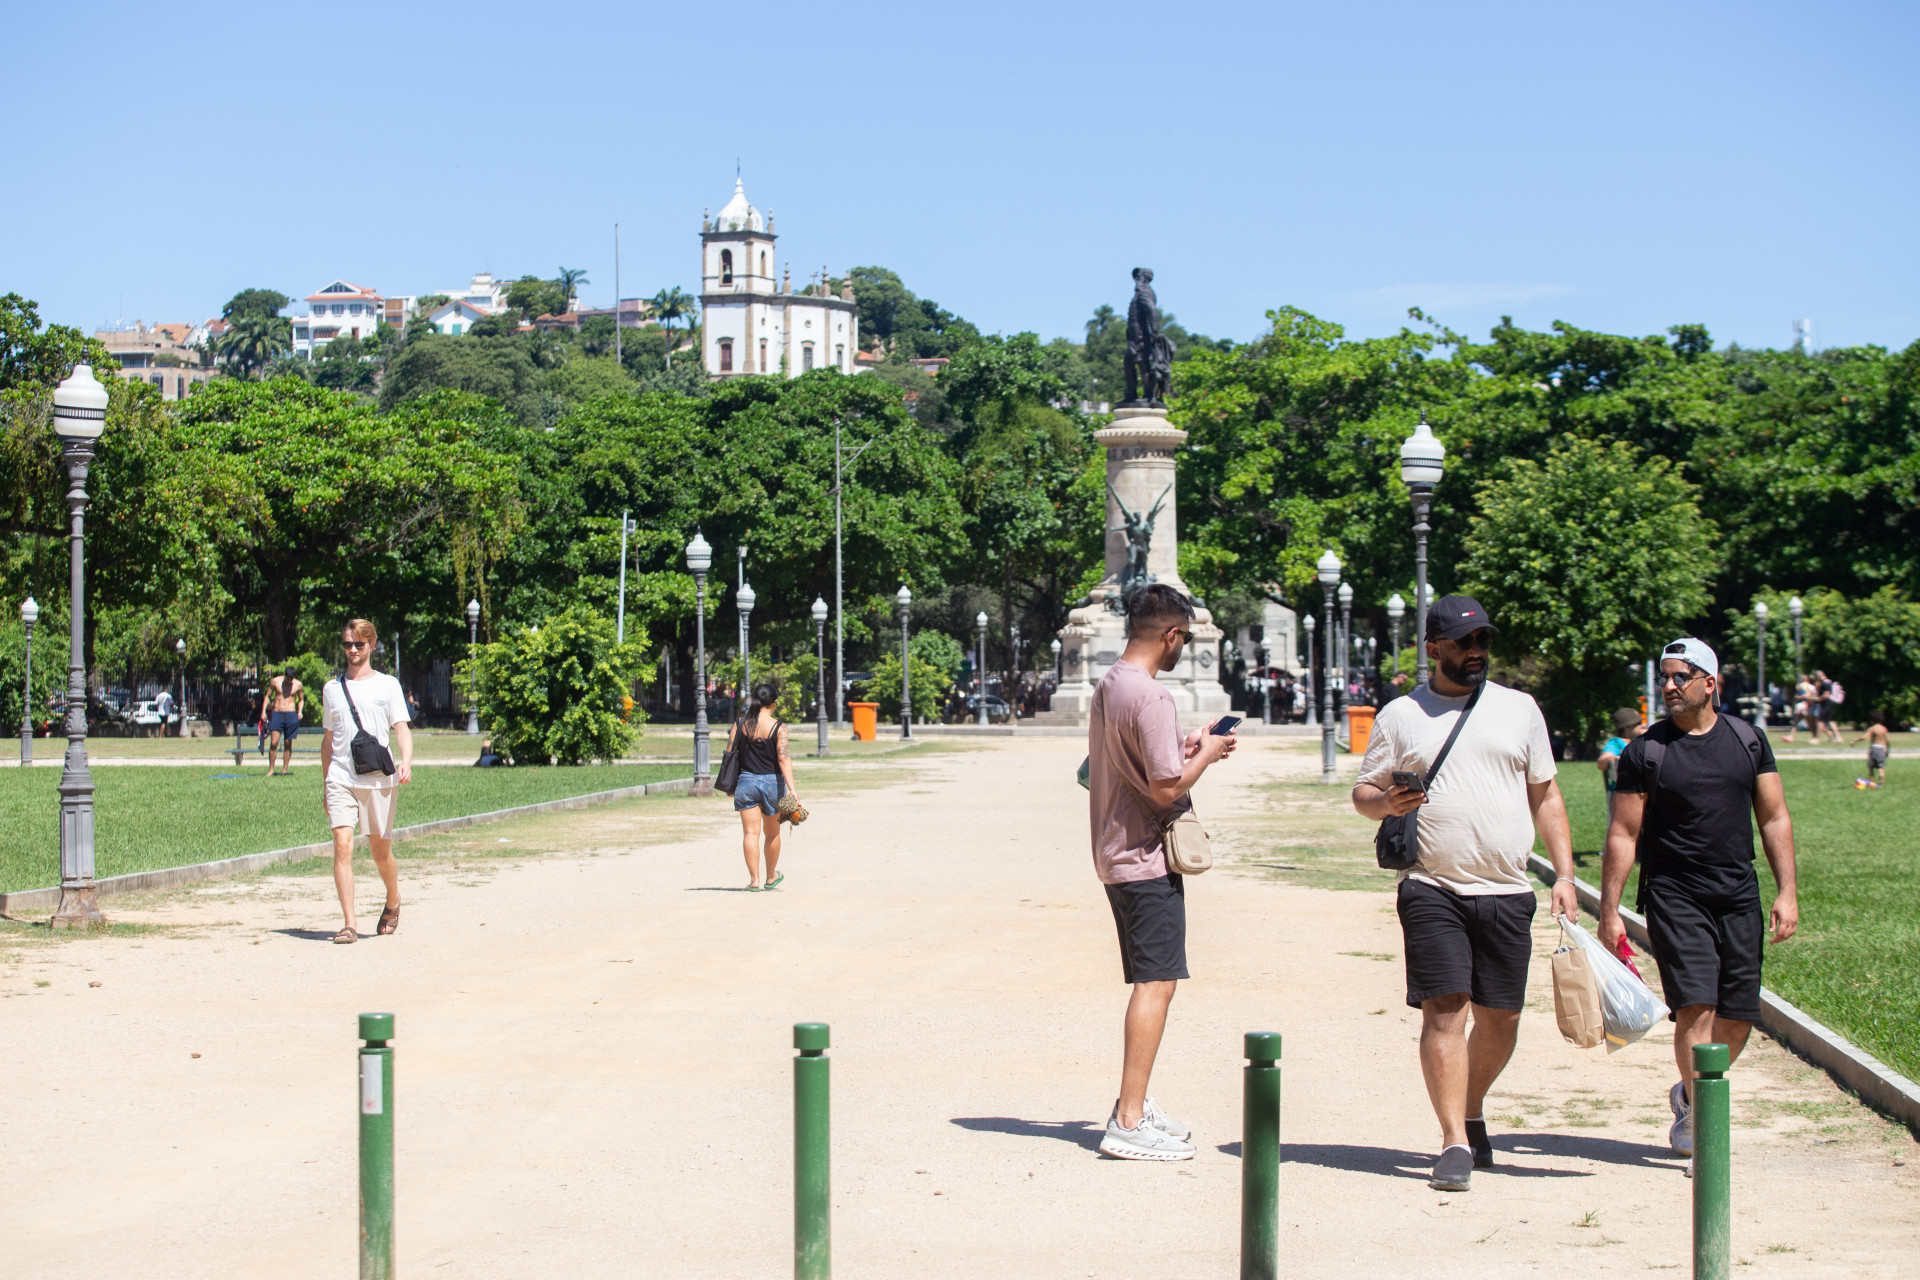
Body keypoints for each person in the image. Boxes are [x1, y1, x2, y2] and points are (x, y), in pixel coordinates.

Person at [1352, 595, 1576, 1193]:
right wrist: (1386, 803)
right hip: (1432, 884)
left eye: (1483, 643)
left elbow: (1546, 795)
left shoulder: (1518, 709)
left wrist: (1566, 876)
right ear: (1434, 649)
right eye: (1463, 644)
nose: (1477, 653)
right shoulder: (1402, 714)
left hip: (1507, 887)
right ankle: (1453, 1139)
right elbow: (1363, 794)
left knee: (1500, 1019)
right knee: (1446, 1010)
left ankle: (1471, 1105)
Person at [1600, 638, 1798, 1157]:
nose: (1668, 686)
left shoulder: (1748, 740)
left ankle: (1689, 1093)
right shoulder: (1647, 750)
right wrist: (1609, 911)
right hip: (1673, 891)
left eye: (1680, 676)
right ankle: (1704, 1127)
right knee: (1696, 1005)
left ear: (1710, 683)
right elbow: (1622, 833)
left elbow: (1774, 817)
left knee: (1737, 1014)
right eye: (1664, 677)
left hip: (1736, 891)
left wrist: (1788, 892)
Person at [1087, 584, 1237, 1161]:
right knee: (1157, 982)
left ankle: (1136, 1103)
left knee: (1154, 977)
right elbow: (1166, 785)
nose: (1183, 648)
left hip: (1115, 847)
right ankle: (1127, 1121)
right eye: (1185, 638)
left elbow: (1139, 756)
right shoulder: (1152, 696)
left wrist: (1187, 744)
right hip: (1144, 854)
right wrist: (1209, 751)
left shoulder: (1111, 684)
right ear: (1171, 635)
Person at [319, 619, 413, 944]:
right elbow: (328, 740)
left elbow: (401, 729)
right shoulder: (331, 690)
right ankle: (349, 923)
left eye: (359, 644)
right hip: (341, 778)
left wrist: (406, 762)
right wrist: (325, 782)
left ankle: (393, 899)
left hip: (378, 780)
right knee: (342, 845)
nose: (353, 650)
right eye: (347, 644)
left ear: (371, 645)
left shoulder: (388, 685)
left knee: (379, 854)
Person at [725, 681, 799, 891]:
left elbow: (729, 753)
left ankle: (754, 881)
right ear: (774, 703)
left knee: (750, 834)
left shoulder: (740, 723)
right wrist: (792, 790)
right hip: (772, 784)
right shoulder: (778, 727)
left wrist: (729, 784)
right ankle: (770, 876)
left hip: (746, 782)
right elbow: (783, 759)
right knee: (772, 834)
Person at [1598, 707, 1645, 809]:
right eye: (1638, 724)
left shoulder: (1636, 741)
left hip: (1638, 792)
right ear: (1627, 727)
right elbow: (1601, 762)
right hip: (1623, 795)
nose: (1642, 726)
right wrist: (1619, 757)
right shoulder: (1616, 743)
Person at [265, 666, 304, 776]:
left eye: (291, 679)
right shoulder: (275, 682)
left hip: (291, 714)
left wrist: (300, 711)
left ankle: (284, 770)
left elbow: (301, 700)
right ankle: (271, 769)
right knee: (274, 743)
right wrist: (263, 711)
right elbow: (267, 696)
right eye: (288, 679)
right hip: (277, 713)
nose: (289, 681)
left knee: (288, 743)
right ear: (284, 675)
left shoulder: (298, 685)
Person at [1851, 714, 1890, 788]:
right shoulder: (1884, 728)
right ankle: (1881, 776)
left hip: (1874, 748)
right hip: (1881, 748)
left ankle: (1872, 781)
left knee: (1871, 766)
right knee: (1880, 765)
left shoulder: (1872, 728)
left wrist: (1854, 741)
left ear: (1872, 720)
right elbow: (1888, 741)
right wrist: (1887, 750)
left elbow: (1864, 737)